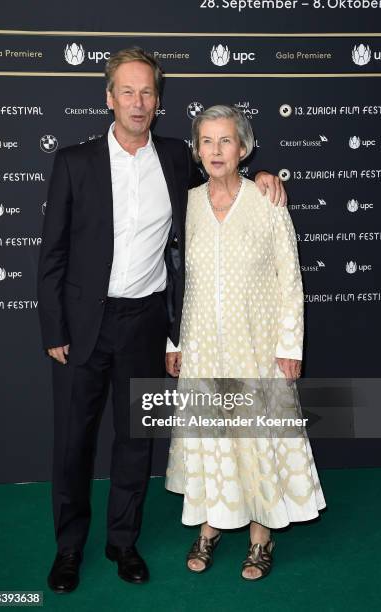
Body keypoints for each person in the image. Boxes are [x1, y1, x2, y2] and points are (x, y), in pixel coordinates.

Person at [37, 48, 287, 593]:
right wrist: (53, 328)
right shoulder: (74, 162)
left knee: (135, 442)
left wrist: (265, 175)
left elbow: (227, 173)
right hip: (81, 328)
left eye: (147, 92)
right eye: (127, 91)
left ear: (158, 101)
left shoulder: (177, 157)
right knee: (73, 444)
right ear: (109, 98)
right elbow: (51, 254)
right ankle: (68, 550)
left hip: (146, 324)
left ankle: (122, 543)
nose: (138, 102)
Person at [165, 105, 326, 581]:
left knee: (257, 438)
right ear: (196, 150)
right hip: (201, 347)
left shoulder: (267, 201)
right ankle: (212, 525)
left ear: (244, 148)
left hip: (257, 347)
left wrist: (290, 347)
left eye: (226, 141)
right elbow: (174, 280)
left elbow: (290, 278)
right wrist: (174, 339)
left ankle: (260, 537)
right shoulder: (188, 203)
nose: (216, 151)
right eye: (207, 142)